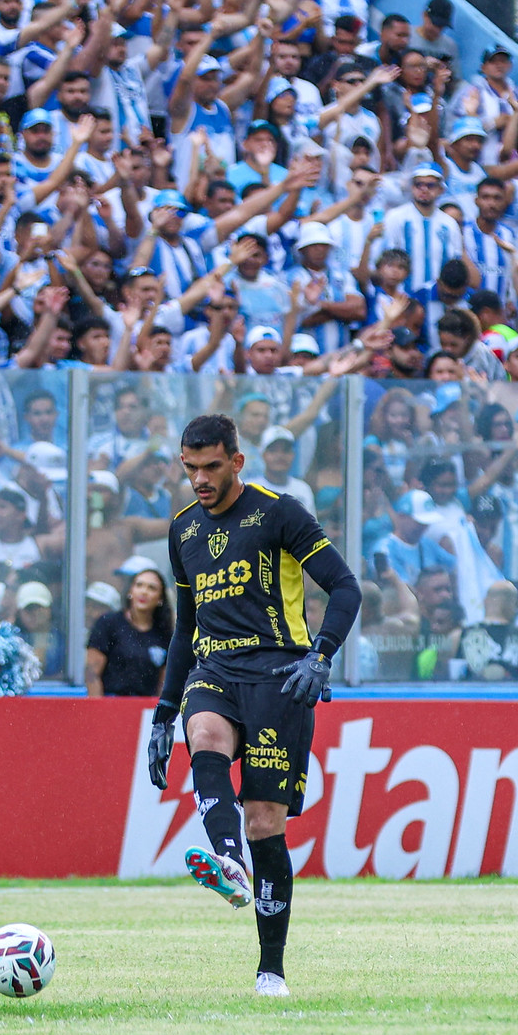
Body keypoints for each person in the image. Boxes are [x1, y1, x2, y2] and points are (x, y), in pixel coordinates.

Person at [147, 412, 361, 997]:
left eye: (211, 467)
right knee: (206, 736)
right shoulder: (183, 529)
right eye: (190, 469)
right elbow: (185, 624)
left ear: (237, 462)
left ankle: (271, 968)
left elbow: (345, 587)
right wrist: (165, 711)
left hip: (278, 672)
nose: (200, 480)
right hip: (214, 667)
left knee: (264, 822)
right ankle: (227, 863)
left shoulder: (279, 511)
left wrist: (321, 656)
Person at [86, 563, 173, 696]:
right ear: (130, 592)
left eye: (152, 588)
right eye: (139, 585)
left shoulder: (164, 634)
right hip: (111, 705)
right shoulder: (108, 623)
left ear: (160, 599)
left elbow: (163, 683)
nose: (144, 591)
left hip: (146, 710)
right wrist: (98, 712)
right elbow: (92, 674)